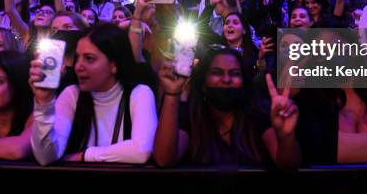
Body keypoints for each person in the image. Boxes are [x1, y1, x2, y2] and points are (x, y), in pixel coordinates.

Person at [153, 47, 300, 171]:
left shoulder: (258, 112)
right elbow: (164, 160)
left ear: (244, 82)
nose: (226, 79)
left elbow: (288, 166)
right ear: (204, 82)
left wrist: (286, 136)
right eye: (217, 73)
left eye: (234, 74)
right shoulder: (192, 113)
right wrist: (172, 93)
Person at [29, 23, 158, 164]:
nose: (78, 66)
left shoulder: (139, 93)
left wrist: (85, 156)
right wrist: (44, 103)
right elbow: (45, 157)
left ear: (114, 65)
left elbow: (142, 150)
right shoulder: (72, 94)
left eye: (89, 58)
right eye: (77, 58)